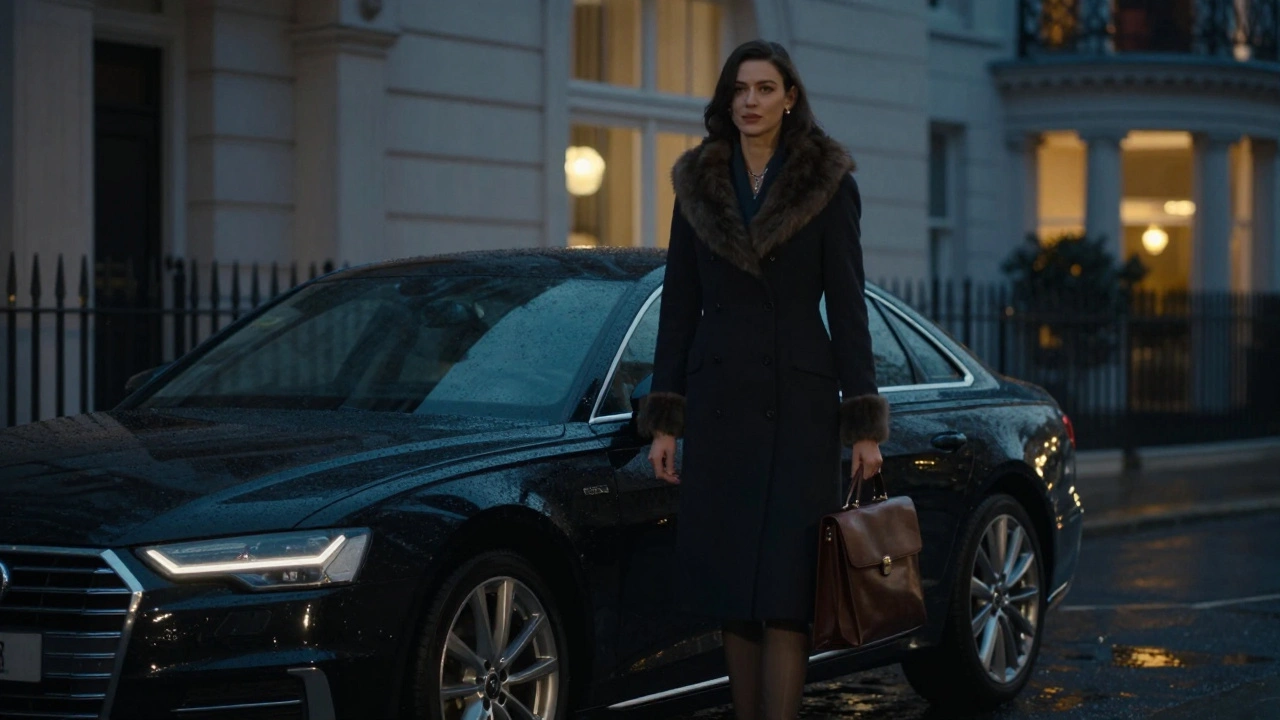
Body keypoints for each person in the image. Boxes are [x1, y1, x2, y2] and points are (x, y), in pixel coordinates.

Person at [636, 40, 889, 720]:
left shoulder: (827, 182)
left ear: (789, 98)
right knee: (734, 596)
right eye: (739, 89)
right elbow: (679, 303)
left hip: (799, 410)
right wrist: (667, 418)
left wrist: (862, 423)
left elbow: (849, 301)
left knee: (784, 596)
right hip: (719, 407)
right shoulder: (697, 181)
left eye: (764, 88)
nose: (749, 101)